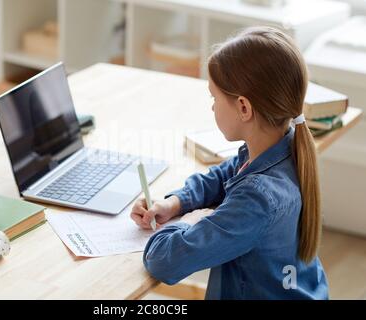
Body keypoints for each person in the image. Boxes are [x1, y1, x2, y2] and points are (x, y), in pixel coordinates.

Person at [131, 26, 329, 300]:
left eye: (214, 97)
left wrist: (190, 221)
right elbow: (226, 174)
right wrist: (176, 202)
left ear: (244, 108)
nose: (212, 107)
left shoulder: (258, 198)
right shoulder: (282, 145)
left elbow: (164, 261)